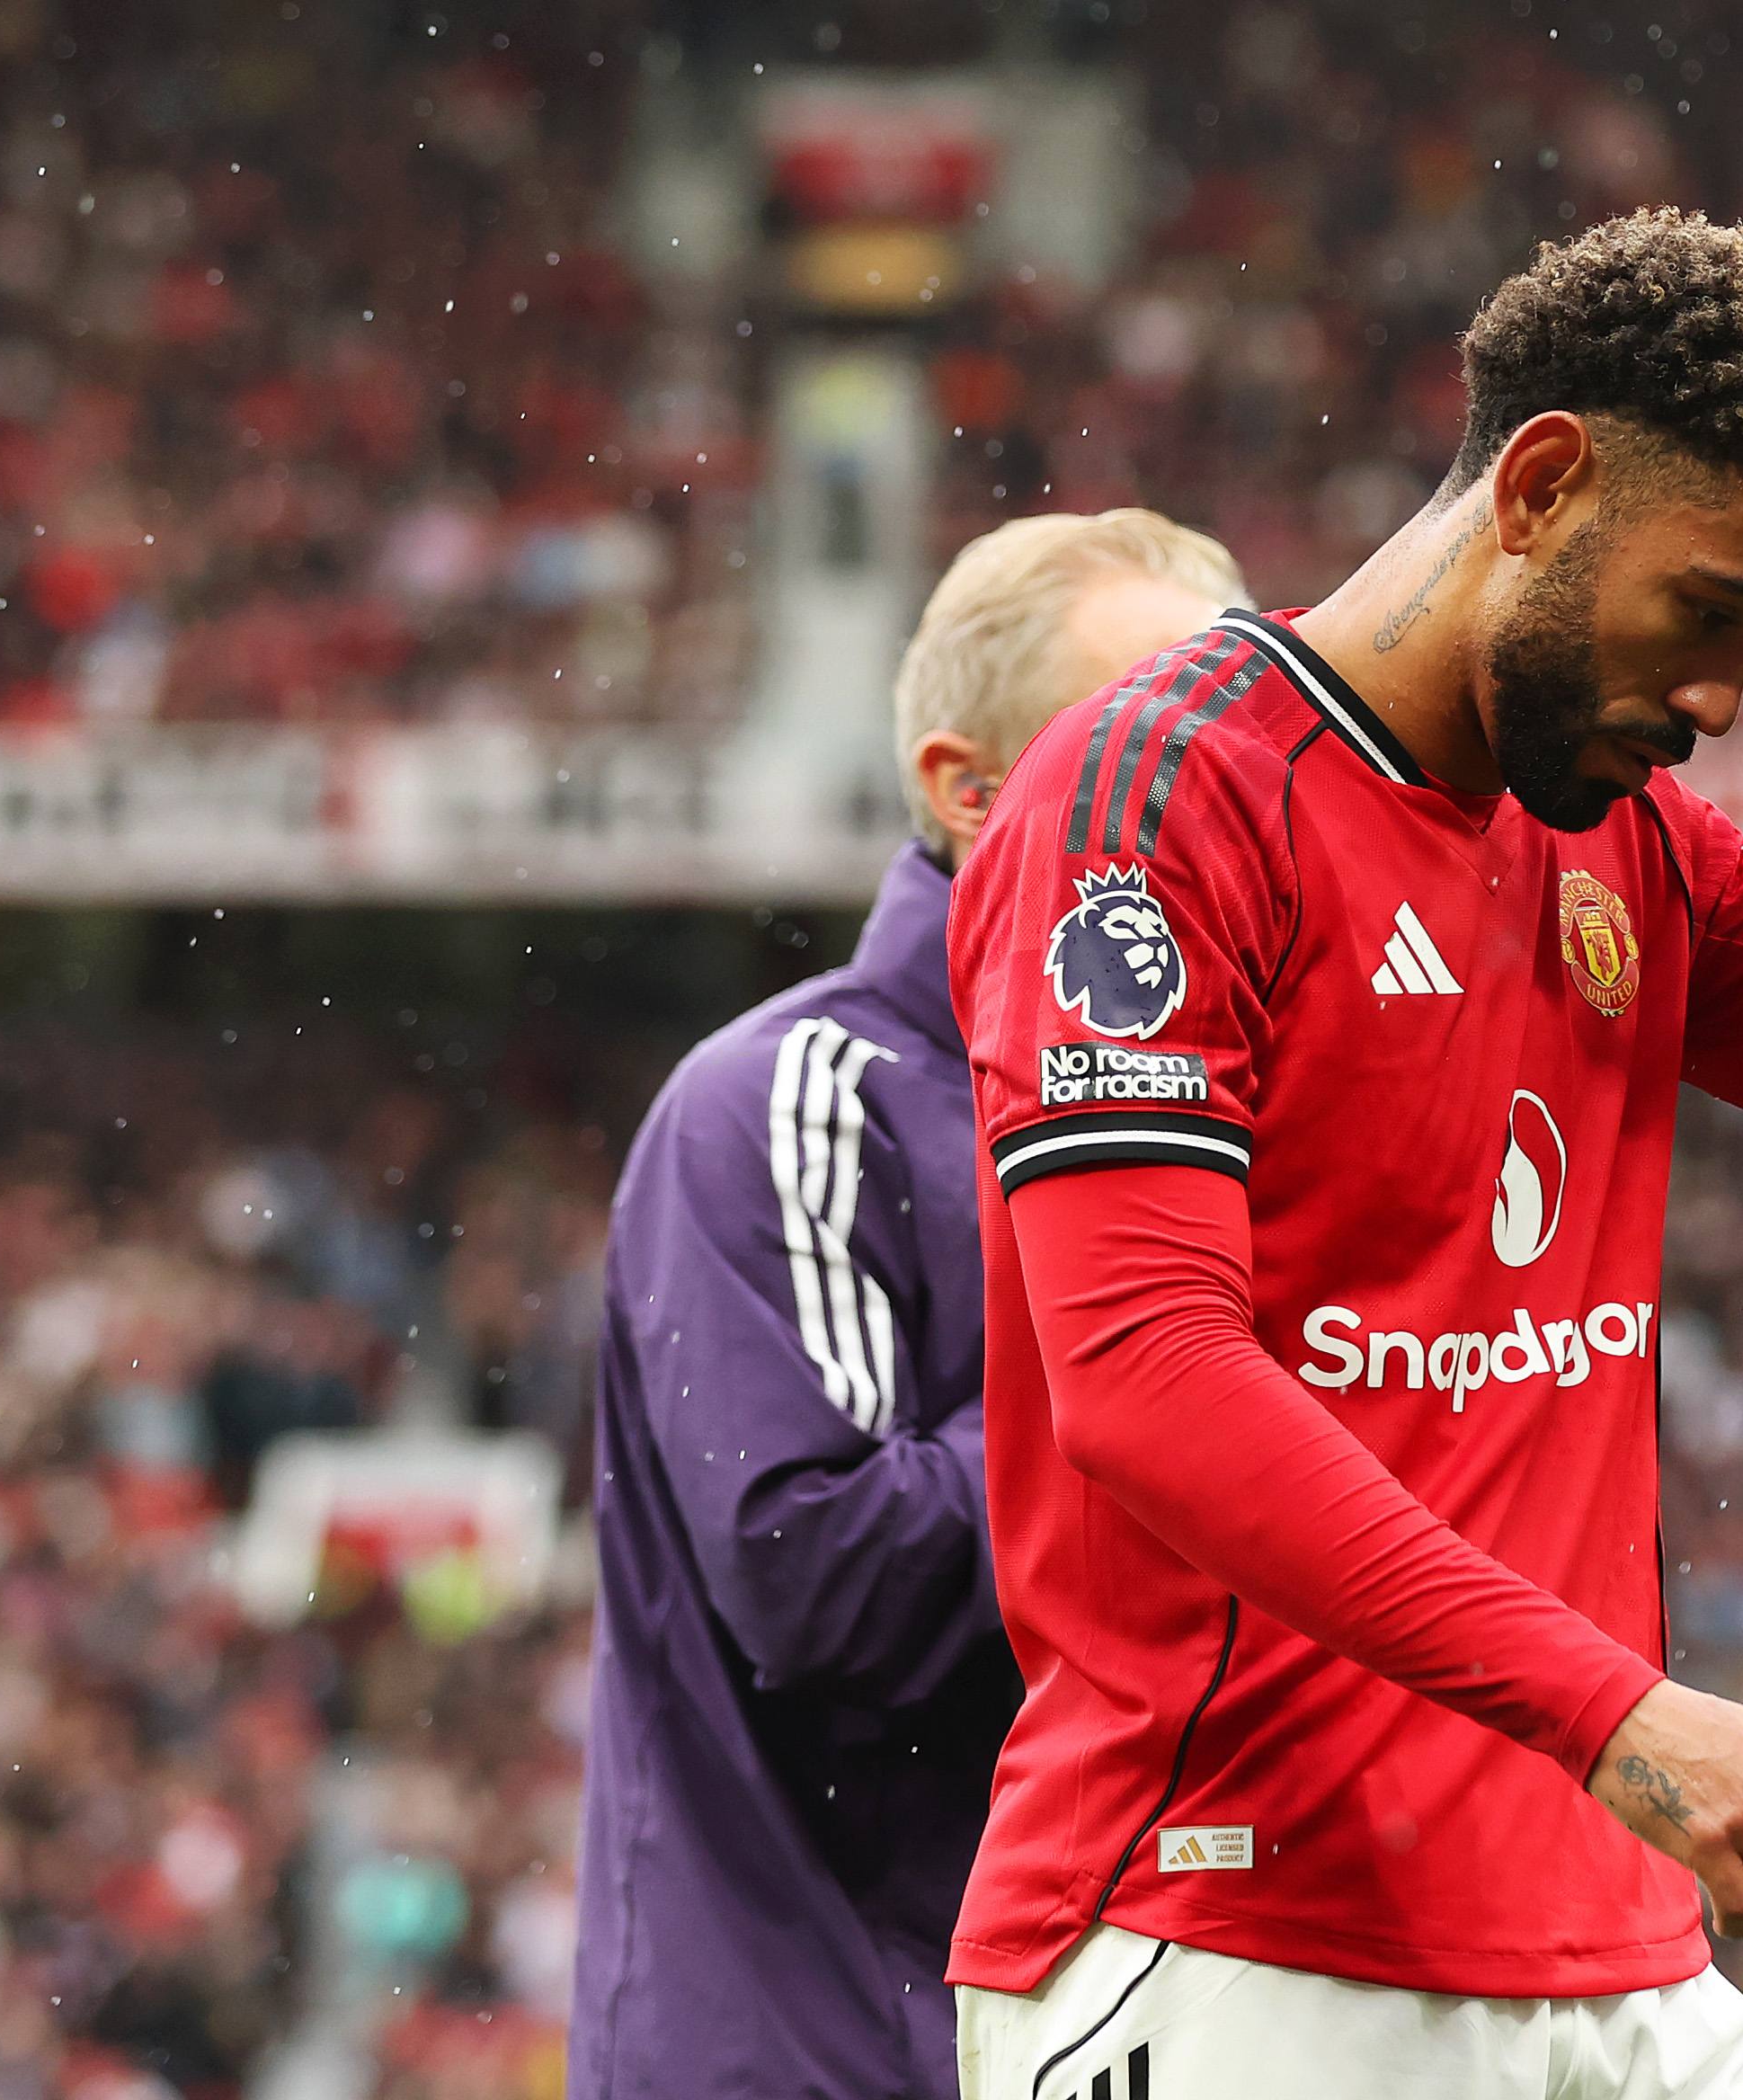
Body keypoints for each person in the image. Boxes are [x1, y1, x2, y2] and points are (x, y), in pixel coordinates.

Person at [943, 212, 1743, 2097]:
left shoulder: (1626, 840)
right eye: (1711, 611)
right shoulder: (1154, 797)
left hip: (1619, 1953)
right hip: (1240, 1938)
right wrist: (1620, 1714)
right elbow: (1148, 1379)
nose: (1724, 700)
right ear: (1545, 484)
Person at [571, 512, 1249, 2100]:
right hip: (830, 2041)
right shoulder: (793, 1101)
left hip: (1133, 2026)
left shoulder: (1247, 1106)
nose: (1210, 796)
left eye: (1233, 741)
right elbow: (823, 1577)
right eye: (1138, 744)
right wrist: (1163, 1360)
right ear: (965, 789)